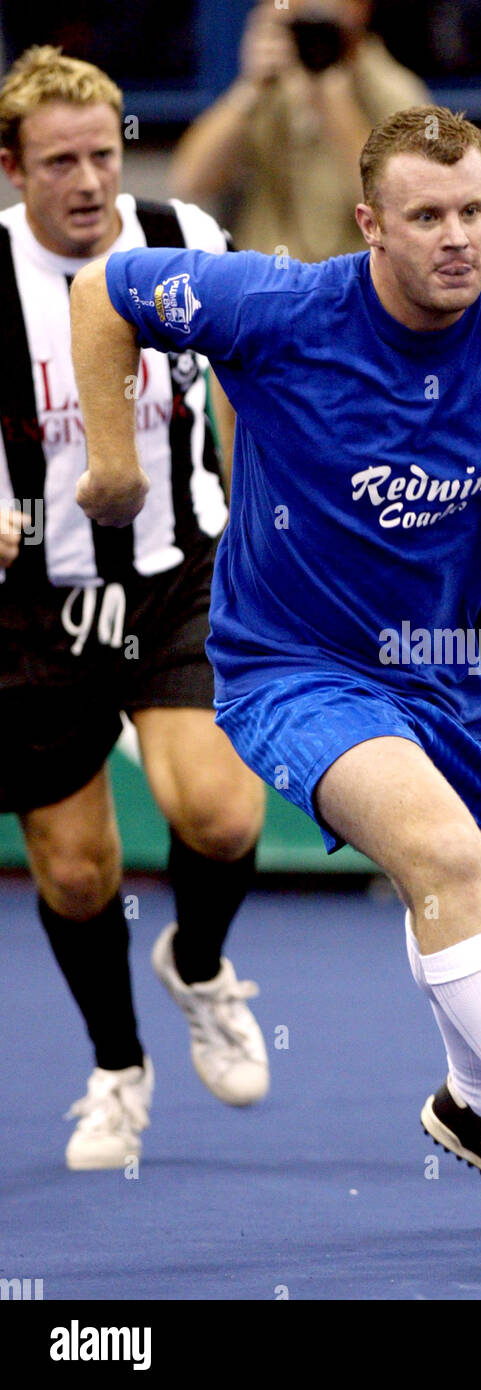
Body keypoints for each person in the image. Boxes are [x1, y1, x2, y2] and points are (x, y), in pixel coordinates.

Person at [71, 105, 481, 1238]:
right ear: (371, 224)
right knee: (444, 855)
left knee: (461, 891)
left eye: (474, 210)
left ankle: (474, 1105)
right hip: (291, 666)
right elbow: (102, 291)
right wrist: (117, 463)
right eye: (426, 217)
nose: (458, 237)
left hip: (452, 675)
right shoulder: (280, 306)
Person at [0, 46, 269, 1171]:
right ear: (12, 167)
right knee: (74, 872)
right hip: (32, 605)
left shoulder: (182, 238)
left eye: (102, 155)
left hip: (178, 574)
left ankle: (198, 965)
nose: (87, 181)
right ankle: (119, 1068)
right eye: (58, 161)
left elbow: (263, 363)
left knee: (222, 816)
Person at [169, 0, 428, 258]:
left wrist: (333, 100)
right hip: (269, 273)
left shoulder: (392, 90)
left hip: (352, 276)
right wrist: (249, 88)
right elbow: (190, 182)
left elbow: (398, 207)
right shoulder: (270, 85)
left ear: (360, 9)